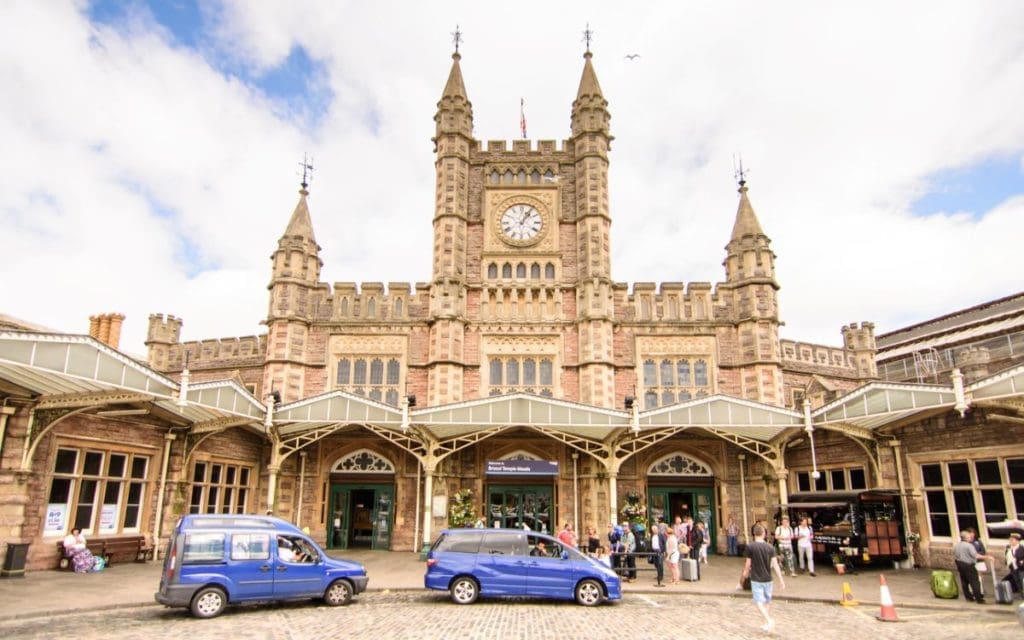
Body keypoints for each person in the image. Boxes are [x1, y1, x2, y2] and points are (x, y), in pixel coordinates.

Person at [740, 523, 786, 633]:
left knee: (758, 601)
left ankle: (768, 620)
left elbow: (748, 564)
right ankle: (766, 623)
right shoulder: (770, 547)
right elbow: (775, 565)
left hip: (756, 578)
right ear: (764, 534)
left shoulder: (750, 547)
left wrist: (745, 574)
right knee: (767, 601)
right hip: (768, 578)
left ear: (754, 534)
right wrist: (781, 580)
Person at [954, 529, 992, 603]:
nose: (970, 538)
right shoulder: (969, 546)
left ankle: (968, 597)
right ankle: (979, 598)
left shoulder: (957, 545)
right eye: (968, 537)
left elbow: (955, 554)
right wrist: (987, 557)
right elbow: (976, 556)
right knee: (975, 581)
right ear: (965, 538)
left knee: (964, 581)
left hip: (959, 564)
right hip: (968, 564)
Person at [1004, 532, 1024, 598]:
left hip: (1021, 567)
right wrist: (1007, 563)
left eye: (1012, 540)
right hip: (1013, 567)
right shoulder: (1008, 548)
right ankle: (1021, 594)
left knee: (1022, 580)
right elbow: (1006, 556)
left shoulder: (1022, 548)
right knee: (1017, 580)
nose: (1011, 541)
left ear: (1017, 540)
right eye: (1010, 540)